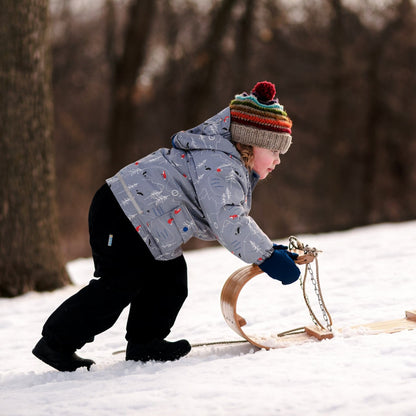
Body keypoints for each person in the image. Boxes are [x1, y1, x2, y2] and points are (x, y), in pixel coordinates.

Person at [32, 81, 300, 372]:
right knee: (119, 285)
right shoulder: (221, 165)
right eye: (273, 150)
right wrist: (267, 257)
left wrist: (269, 250)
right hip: (122, 213)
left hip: (147, 224)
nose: (278, 159)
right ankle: (56, 344)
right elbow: (229, 220)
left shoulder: (225, 160)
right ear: (250, 141)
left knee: (169, 282)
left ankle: (145, 344)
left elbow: (230, 216)